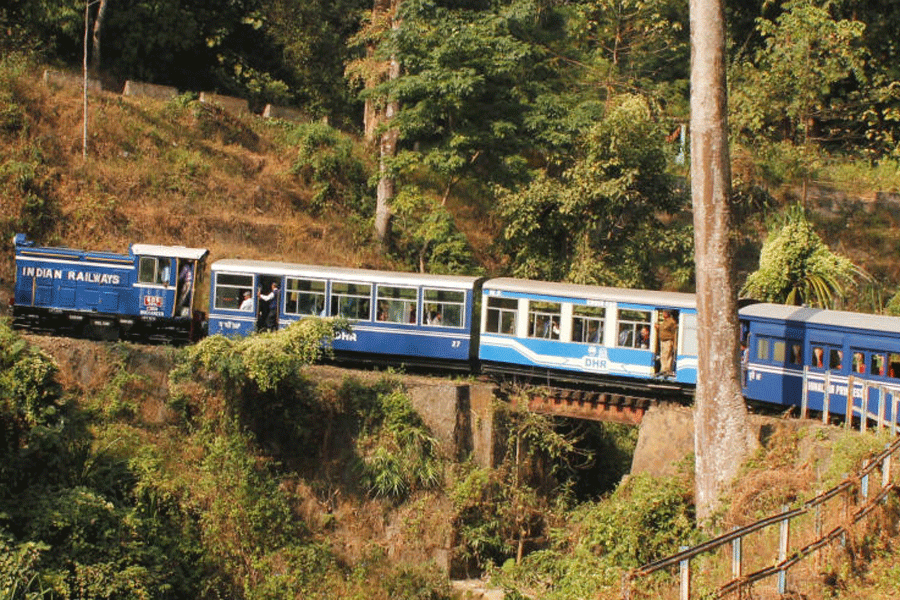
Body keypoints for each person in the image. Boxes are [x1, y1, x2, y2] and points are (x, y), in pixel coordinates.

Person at [655, 310, 677, 377]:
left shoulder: (671, 322)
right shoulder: (664, 322)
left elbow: (674, 333)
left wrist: (674, 343)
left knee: (668, 355)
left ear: (667, 314)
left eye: (664, 313)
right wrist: (658, 327)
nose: (663, 314)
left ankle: (667, 370)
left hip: (668, 341)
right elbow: (662, 329)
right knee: (663, 355)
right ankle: (663, 369)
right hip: (662, 341)